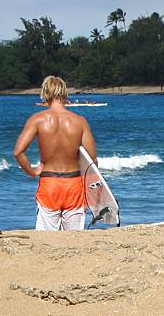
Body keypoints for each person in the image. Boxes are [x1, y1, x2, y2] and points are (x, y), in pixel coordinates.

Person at [13, 76, 96, 231]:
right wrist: (92, 189)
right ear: (65, 94)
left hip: (49, 184)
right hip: (74, 186)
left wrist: (32, 172)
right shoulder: (80, 121)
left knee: (45, 241)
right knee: (74, 240)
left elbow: (18, 152)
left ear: (45, 93)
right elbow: (92, 160)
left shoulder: (37, 119)